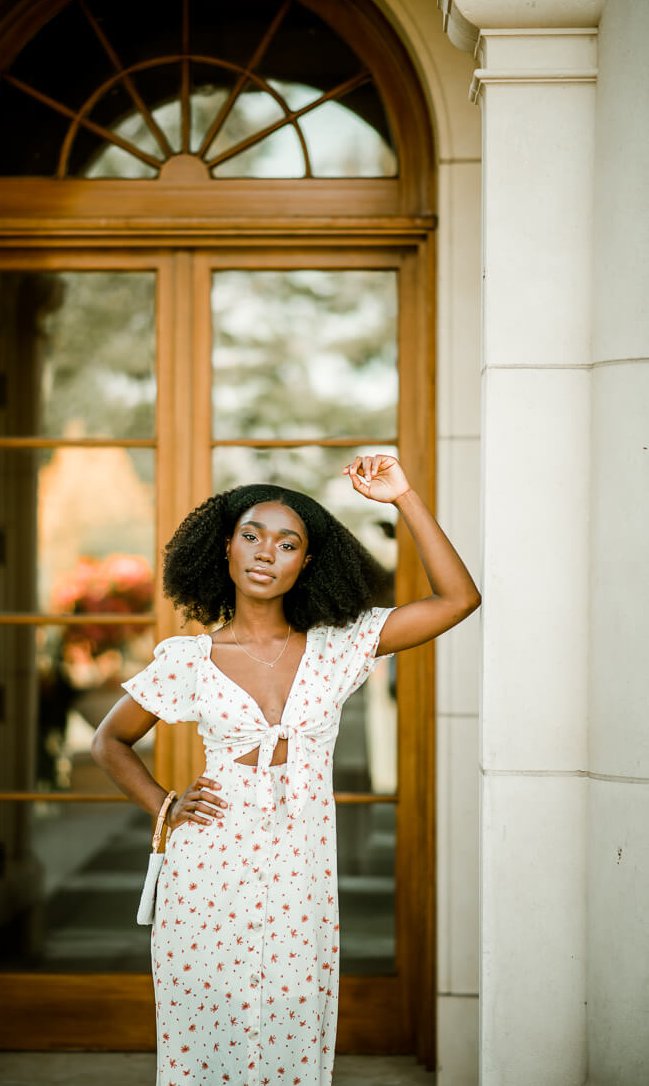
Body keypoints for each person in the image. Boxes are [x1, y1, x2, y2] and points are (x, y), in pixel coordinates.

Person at [92, 454, 480, 1085]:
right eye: (251, 535)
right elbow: (109, 741)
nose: (266, 552)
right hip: (206, 874)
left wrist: (404, 498)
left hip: (302, 874)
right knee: (203, 1035)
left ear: (306, 563)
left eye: (287, 542)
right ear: (225, 550)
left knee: (295, 1031)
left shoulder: (340, 645)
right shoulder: (189, 658)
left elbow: (459, 599)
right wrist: (165, 806)